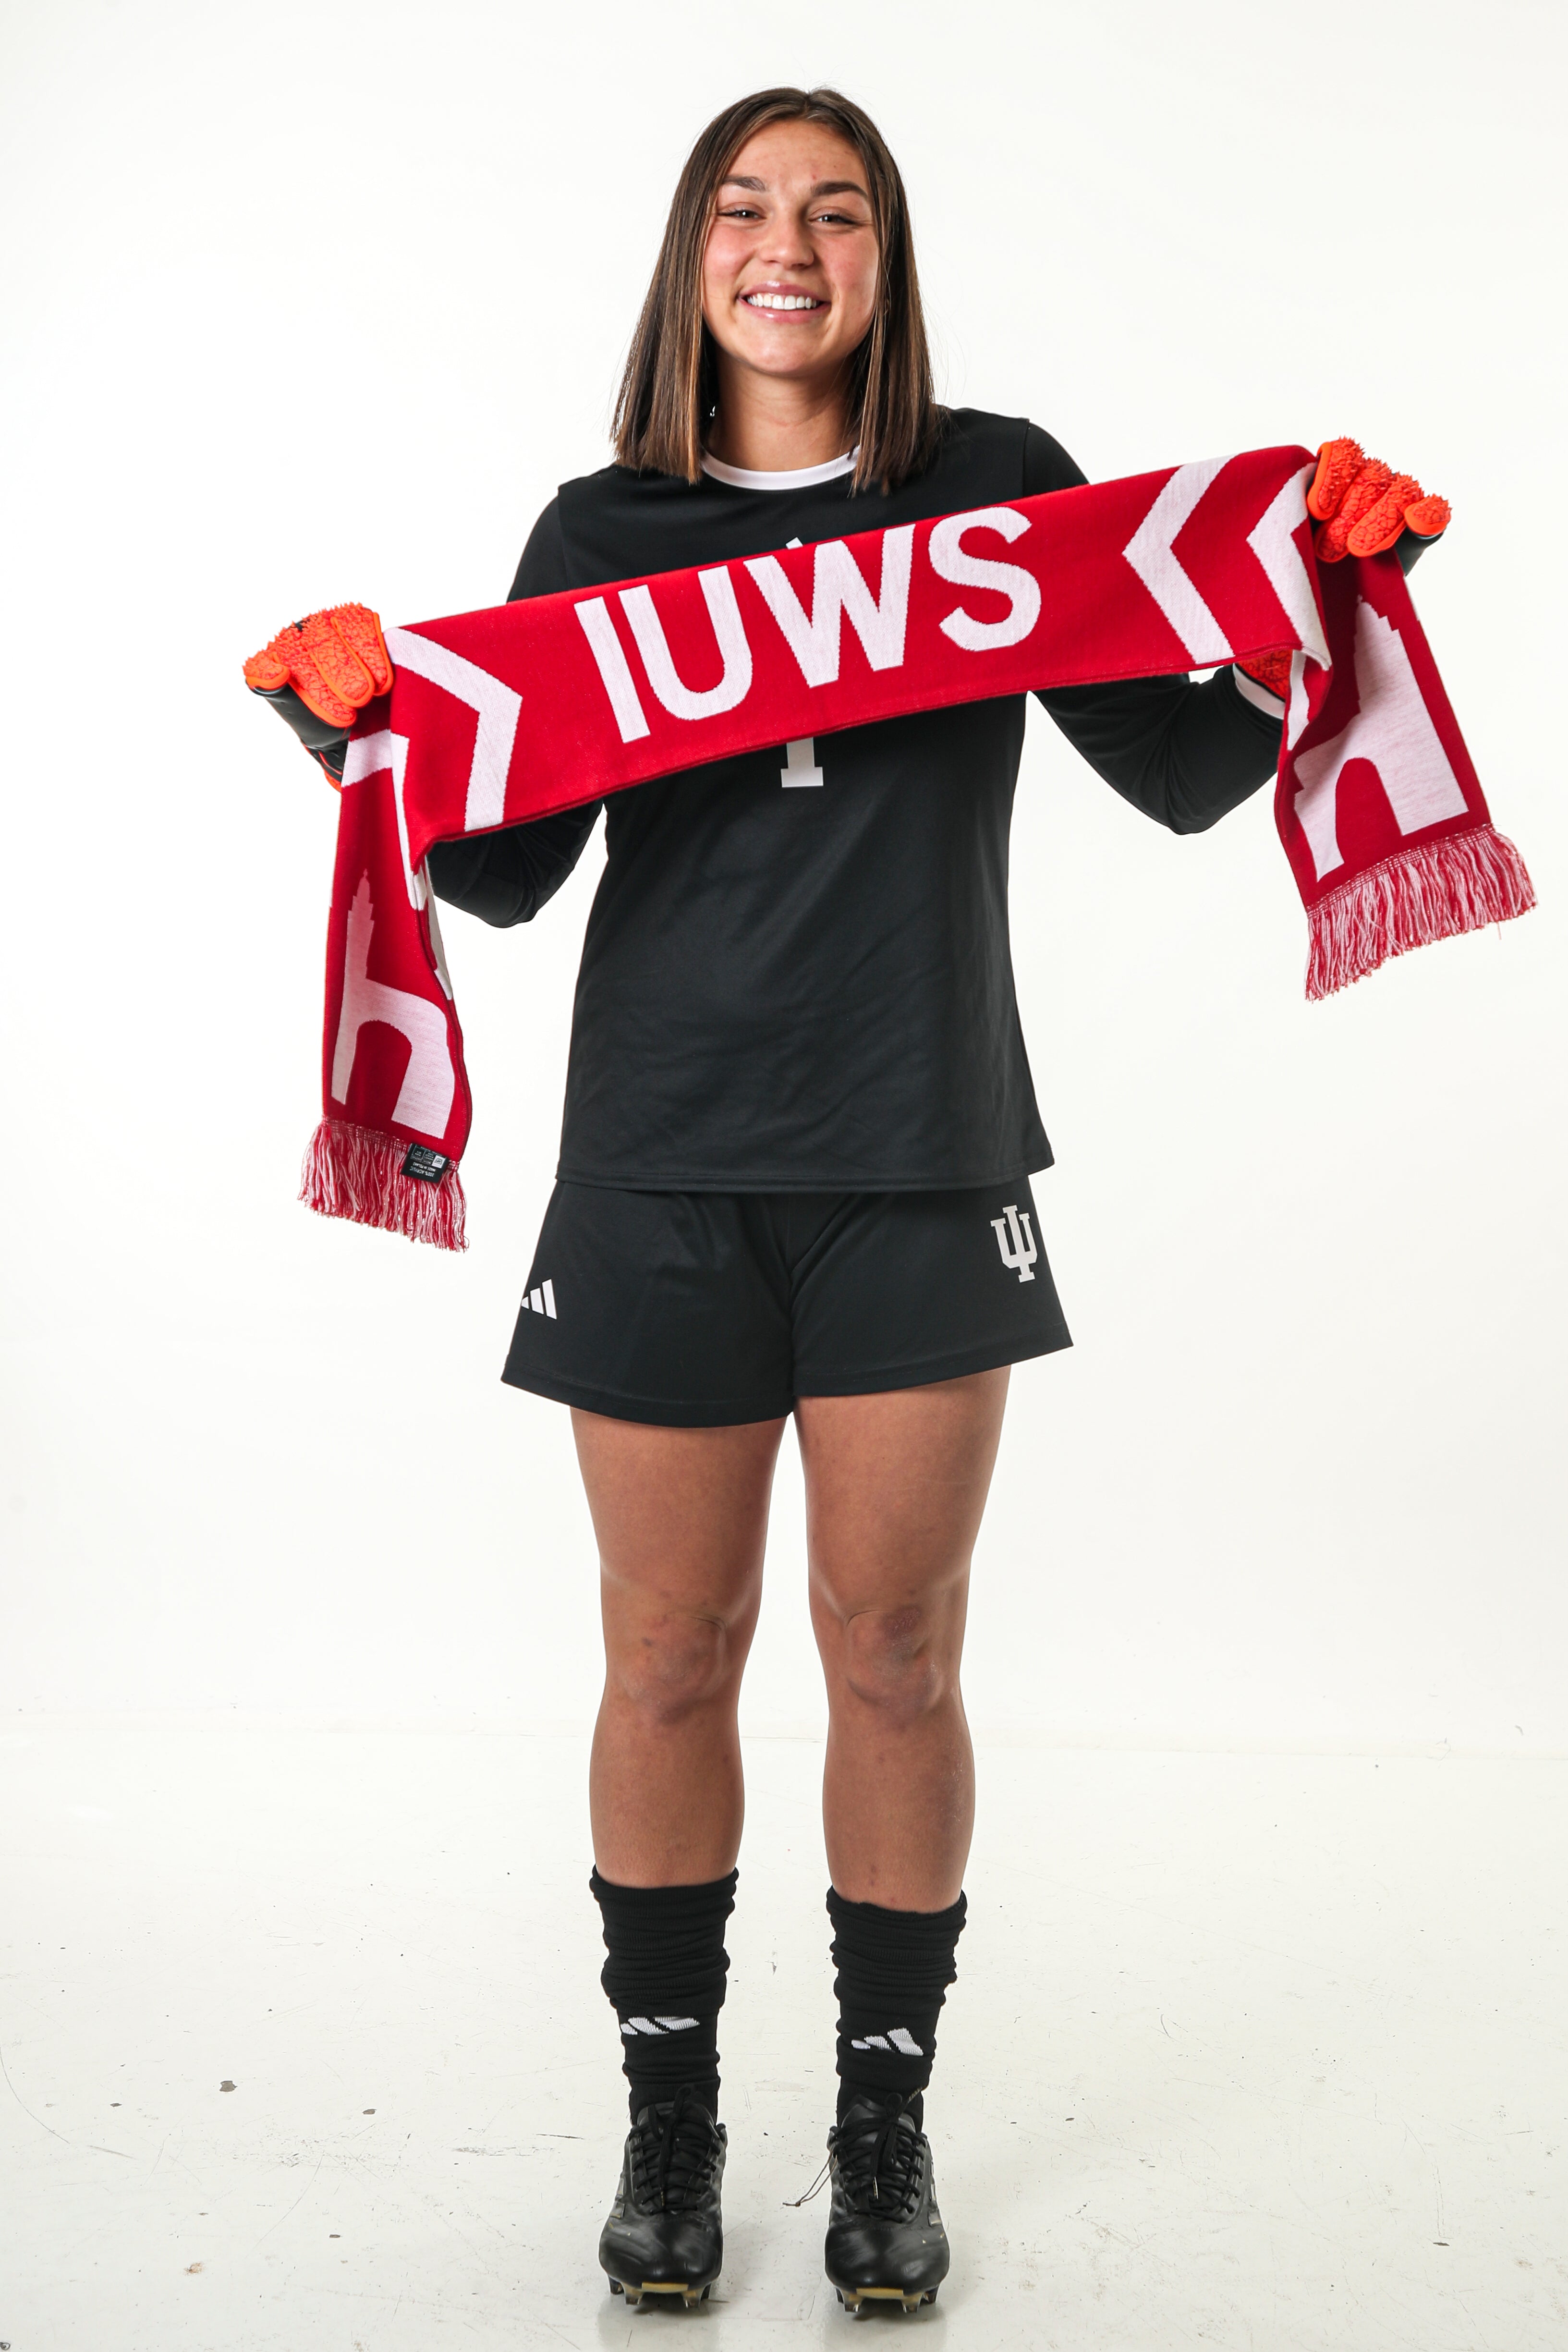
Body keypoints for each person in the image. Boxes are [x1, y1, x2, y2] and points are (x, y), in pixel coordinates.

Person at [250, 83, 1444, 2318]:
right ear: (687, 256)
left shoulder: (993, 491)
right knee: (665, 1651)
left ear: (885, 259)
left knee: (893, 1654)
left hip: (920, 1146)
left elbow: (1184, 770)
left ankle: (883, 2121)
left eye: (833, 210)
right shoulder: (598, 532)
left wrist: (1330, 582)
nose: (783, 247)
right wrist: (354, 727)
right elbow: (498, 872)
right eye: (742, 207)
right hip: (658, 1161)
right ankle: (671, 2121)